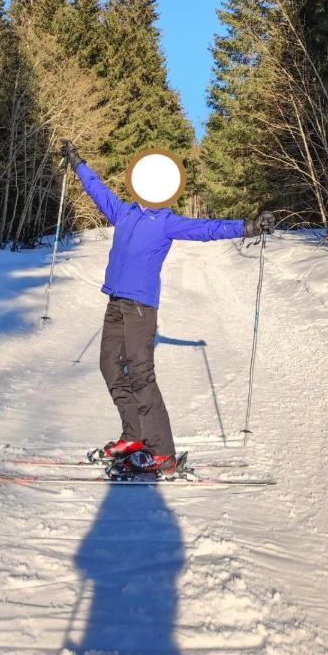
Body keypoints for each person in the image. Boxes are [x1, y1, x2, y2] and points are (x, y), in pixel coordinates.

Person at [61, 140, 275, 476]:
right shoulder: (123, 211)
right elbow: (97, 189)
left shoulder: (166, 222)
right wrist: (77, 163)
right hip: (115, 302)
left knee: (141, 375)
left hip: (141, 307)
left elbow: (206, 229)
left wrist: (247, 226)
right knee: (109, 366)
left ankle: (162, 453)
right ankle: (133, 436)